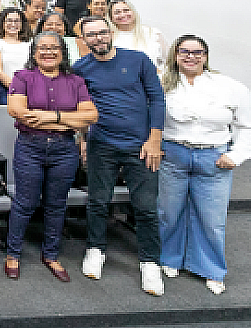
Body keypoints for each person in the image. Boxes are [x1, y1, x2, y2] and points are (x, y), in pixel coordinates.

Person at [158, 35, 251, 295]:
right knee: (169, 213)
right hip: (173, 155)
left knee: (211, 219)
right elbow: (149, 119)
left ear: (206, 55)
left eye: (197, 52)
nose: (191, 57)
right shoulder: (162, 83)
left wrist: (236, 155)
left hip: (213, 159)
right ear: (175, 54)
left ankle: (211, 269)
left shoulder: (230, 87)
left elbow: (248, 128)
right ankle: (169, 258)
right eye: (184, 52)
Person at [74, 17, 166, 296]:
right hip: (102, 145)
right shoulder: (80, 68)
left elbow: (157, 99)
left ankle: (150, 262)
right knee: (98, 201)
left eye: (102, 32)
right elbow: (79, 107)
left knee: (146, 207)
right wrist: (82, 139)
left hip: (141, 146)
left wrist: (154, 139)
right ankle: (95, 249)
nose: (98, 38)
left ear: (111, 32)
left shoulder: (138, 60)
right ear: (84, 39)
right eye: (91, 35)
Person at [4, 32, 98, 282]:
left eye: (54, 48)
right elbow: (18, 111)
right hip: (30, 147)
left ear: (62, 52)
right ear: (34, 53)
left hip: (64, 150)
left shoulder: (76, 81)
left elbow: (91, 116)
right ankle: (13, 254)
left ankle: (51, 255)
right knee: (25, 203)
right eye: (42, 48)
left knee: (56, 205)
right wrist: (69, 121)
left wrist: (50, 117)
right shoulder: (23, 77)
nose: (48, 52)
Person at [0, 8, 33, 106]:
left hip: (30, 89)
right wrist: (17, 88)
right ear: (2, 23)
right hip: (6, 89)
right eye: (9, 21)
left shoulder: (30, 44)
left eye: (17, 21)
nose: (13, 24)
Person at [109, 0, 167, 72]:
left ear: (133, 12)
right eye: (117, 12)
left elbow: (168, 61)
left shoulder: (153, 33)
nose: (123, 15)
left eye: (126, 10)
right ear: (111, 17)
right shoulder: (109, 37)